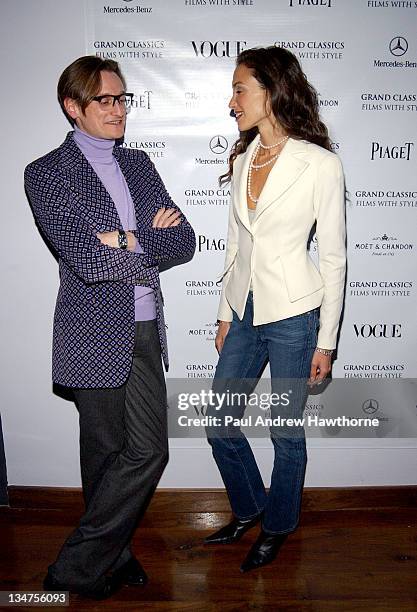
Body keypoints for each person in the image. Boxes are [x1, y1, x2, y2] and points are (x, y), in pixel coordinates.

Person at [24, 56, 195, 599]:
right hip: (90, 330)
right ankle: (112, 557)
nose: (119, 109)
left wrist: (121, 237)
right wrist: (143, 235)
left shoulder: (140, 164)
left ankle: (71, 569)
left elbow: (183, 241)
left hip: (146, 328)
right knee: (103, 454)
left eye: (123, 99)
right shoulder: (46, 172)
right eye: (106, 100)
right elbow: (82, 258)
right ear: (74, 108)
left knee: (149, 451)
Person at [205, 46, 346, 572]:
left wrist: (326, 341)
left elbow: (333, 257)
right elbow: (235, 245)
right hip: (244, 311)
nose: (232, 100)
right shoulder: (242, 158)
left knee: (284, 430)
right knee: (219, 420)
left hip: (293, 314)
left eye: (240, 88)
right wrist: (225, 310)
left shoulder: (320, 163)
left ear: (271, 90)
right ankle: (250, 508)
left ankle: (279, 525)